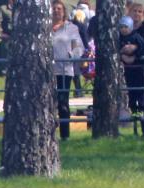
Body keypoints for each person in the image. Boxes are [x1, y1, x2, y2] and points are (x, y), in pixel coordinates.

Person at [50, 1, 83, 140]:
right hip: (47, 71)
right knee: (47, 103)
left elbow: (79, 47)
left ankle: (65, 135)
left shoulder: (71, 28)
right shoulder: (44, 27)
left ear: (64, 12)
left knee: (63, 102)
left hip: (64, 70)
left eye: (59, 8)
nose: (56, 11)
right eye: (54, 8)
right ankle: (48, 135)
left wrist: (71, 55)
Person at [118, 16, 144, 134]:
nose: (124, 30)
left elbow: (143, 47)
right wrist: (122, 55)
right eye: (121, 27)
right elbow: (116, 50)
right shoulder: (119, 38)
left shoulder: (136, 37)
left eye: (126, 27)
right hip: (128, 70)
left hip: (138, 69)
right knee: (131, 92)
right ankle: (134, 110)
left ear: (130, 27)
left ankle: (141, 109)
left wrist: (135, 55)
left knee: (140, 90)